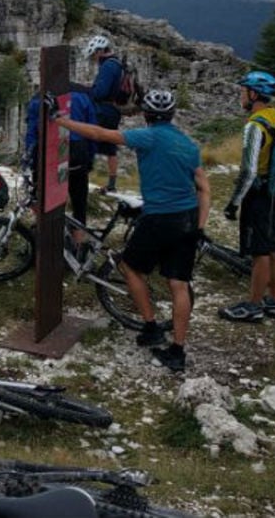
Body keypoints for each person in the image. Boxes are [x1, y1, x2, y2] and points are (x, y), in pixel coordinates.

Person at [57, 90, 210, 372]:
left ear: (147, 115)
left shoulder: (148, 136)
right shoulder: (188, 144)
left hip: (159, 216)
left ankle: (151, 327)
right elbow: (204, 188)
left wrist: (62, 121)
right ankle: (177, 350)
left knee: (129, 267)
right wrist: (200, 226)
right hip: (188, 217)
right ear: (172, 115)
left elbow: (100, 134)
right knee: (179, 285)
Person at [218, 71, 275, 322]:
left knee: (259, 252)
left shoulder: (255, 126)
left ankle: (253, 306)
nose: (240, 96)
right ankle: (273, 302)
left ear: (254, 94)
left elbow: (248, 171)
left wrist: (233, 203)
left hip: (260, 195)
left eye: (243, 92)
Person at [23, 86, 97, 247]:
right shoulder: (83, 97)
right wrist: (90, 158)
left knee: (41, 198)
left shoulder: (38, 99)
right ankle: (78, 245)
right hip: (77, 153)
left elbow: (32, 134)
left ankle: (43, 240)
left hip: (50, 154)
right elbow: (92, 131)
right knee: (79, 201)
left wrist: (29, 161)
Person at [86, 35, 125, 193]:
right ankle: (112, 184)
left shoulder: (108, 66)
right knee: (110, 146)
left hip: (104, 110)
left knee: (86, 137)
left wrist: (89, 91)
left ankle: (82, 176)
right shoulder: (117, 63)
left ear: (100, 51)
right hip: (114, 109)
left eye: (94, 55)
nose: (94, 59)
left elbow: (100, 92)